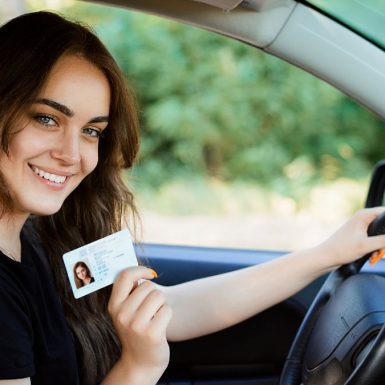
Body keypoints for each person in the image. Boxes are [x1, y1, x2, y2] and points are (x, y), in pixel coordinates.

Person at [1, 10, 385, 385]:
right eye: (46, 118)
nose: (72, 154)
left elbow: (170, 308)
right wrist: (138, 368)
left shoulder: (38, 236)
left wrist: (328, 254)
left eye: (91, 131)